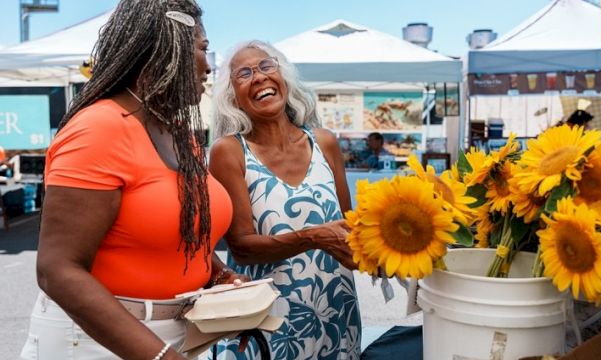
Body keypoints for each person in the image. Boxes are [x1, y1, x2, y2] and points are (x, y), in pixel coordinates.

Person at [20, 1, 246, 359]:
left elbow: (179, 234)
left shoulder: (178, 134)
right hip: (94, 342)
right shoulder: (99, 128)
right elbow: (57, 270)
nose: (209, 66)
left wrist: (220, 277)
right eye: (203, 49)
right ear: (167, 49)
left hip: (176, 335)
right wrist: (161, 356)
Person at [209, 40, 361, 359]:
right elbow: (242, 247)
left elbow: (352, 232)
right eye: (244, 73)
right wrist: (314, 237)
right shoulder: (229, 152)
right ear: (231, 97)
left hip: (335, 318)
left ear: (284, 77)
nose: (260, 77)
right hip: (265, 327)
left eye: (267, 66)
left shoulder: (325, 143)